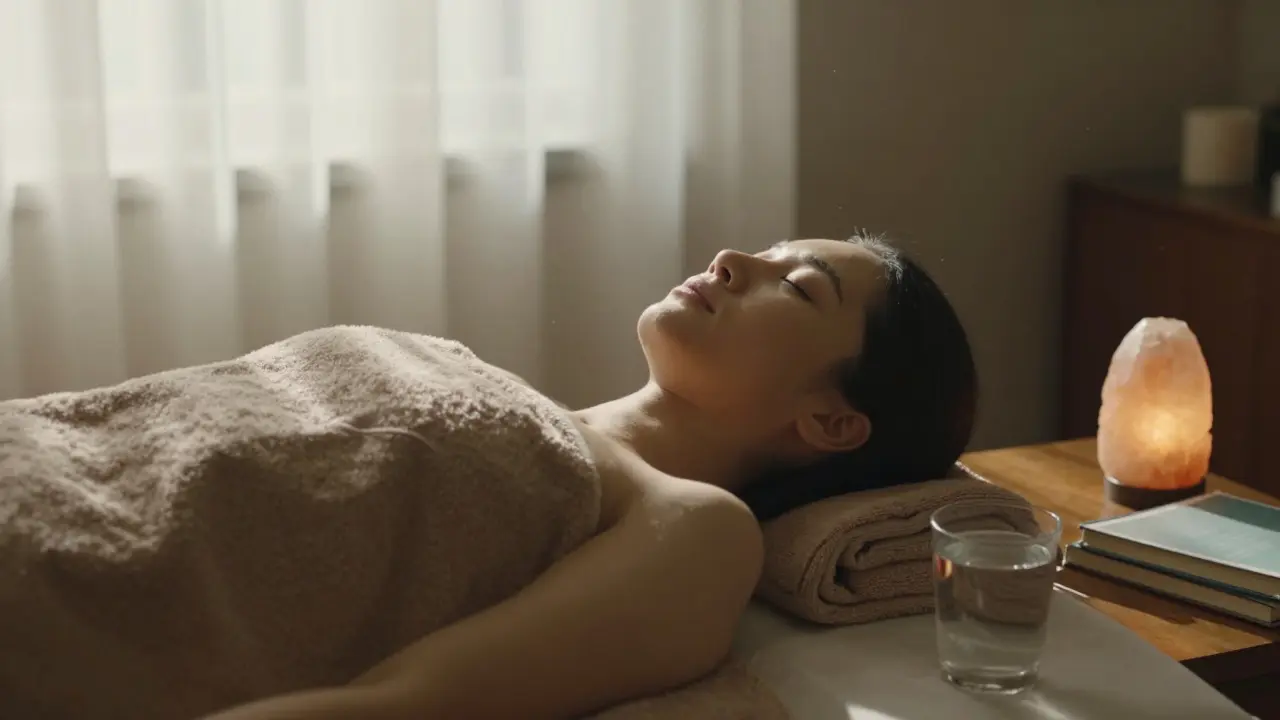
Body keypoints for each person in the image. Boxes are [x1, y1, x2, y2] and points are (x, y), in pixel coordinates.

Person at [207, 234, 977, 719]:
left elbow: (405, 705)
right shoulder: (523, 408)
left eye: (801, 286)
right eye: (766, 253)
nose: (732, 260)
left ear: (833, 423)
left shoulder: (699, 527)